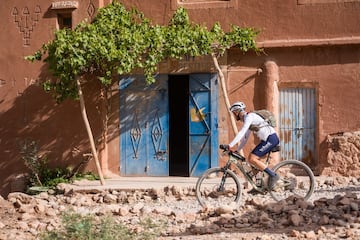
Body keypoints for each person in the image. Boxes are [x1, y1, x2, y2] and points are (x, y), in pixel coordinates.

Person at [224, 101, 280, 190]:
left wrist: (229, 145)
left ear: (237, 111)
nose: (234, 116)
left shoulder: (249, 117)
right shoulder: (248, 119)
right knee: (253, 163)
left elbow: (242, 132)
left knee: (252, 158)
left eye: (234, 113)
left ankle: (273, 175)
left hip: (271, 139)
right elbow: (245, 138)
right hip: (266, 140)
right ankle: (257, 187)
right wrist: (238, 150)